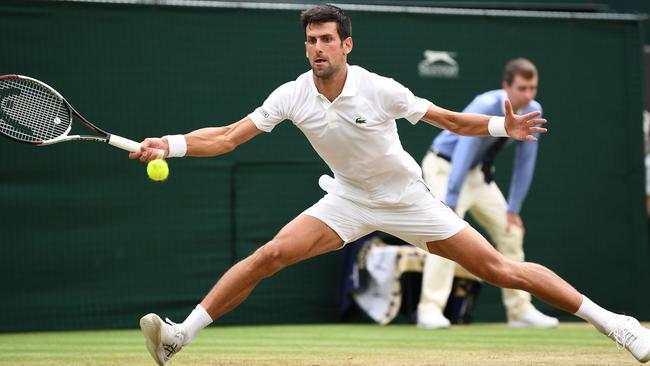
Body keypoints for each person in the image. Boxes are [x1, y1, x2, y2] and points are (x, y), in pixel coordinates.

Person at [130, 5, 650, 365]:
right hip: (348, 199)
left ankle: (614, 322)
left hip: (407, 200)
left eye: (326, 40)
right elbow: (225, 137)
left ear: (346, 45)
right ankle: (179, 337)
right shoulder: (291, 95)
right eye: (310, 40)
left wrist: (500, 127)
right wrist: (168, 143)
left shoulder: (380, 90)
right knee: (269, 256)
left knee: (499, 268)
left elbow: (448, 119)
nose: (317, 48)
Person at [417, 58, 558, 329]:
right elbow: (463, 150)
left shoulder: (532, 110)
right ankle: (429, 310)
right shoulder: (486, 105)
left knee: (511, 232)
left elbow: (525, 162)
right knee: (446, 233)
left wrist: (513, 209)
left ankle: (519, 311)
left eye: (532, 88)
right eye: (522, 88)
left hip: (477, 174)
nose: (528, 95)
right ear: (506, 87)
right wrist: (453, 200)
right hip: (444, 168)